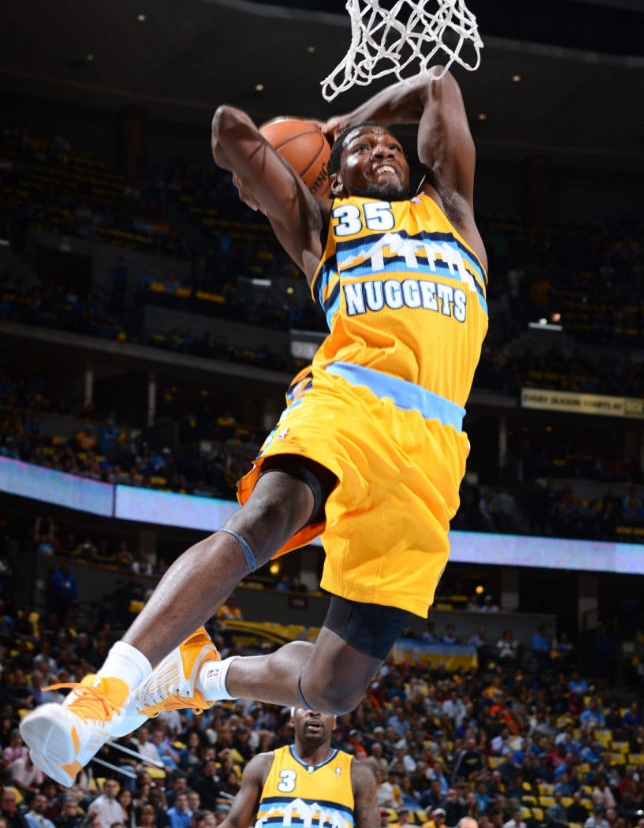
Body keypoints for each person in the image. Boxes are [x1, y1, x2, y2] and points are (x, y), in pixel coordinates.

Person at [21, 68, 488, 787]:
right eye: (365, 151)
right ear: (333, 179)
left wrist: (350, 123)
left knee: (336, 687)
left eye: (391, 146)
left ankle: (200, 675)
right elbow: (229, 131)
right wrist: (324, 143)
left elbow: (439, 87)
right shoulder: (322, 226)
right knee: (267, 517)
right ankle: (103, 695)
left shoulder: (453, 212)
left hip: (433, 455)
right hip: (351, 402)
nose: (384, 150)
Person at [216, 707, 376, 828]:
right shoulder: (263, 764)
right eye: (306, 705)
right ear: (292, 719)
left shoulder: (358, 772)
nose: (314, 712)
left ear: (334, 722)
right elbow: (234, 824)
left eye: (323, 707)